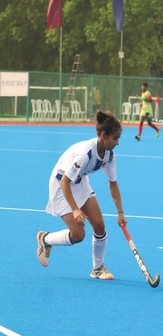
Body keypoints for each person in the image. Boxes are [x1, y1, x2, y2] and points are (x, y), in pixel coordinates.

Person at [36, 111, 126, 280]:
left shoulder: (109, 156)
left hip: (79, 183)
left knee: (99, 225)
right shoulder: (85, 154)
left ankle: (97, 269)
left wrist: (120, 212)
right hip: (61, 185)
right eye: (115, 138)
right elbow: (64, 182)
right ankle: (45, 239)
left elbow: (113, 184)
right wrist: (75, 209)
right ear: (104, 136)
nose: (117, 142)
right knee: (78, 235)